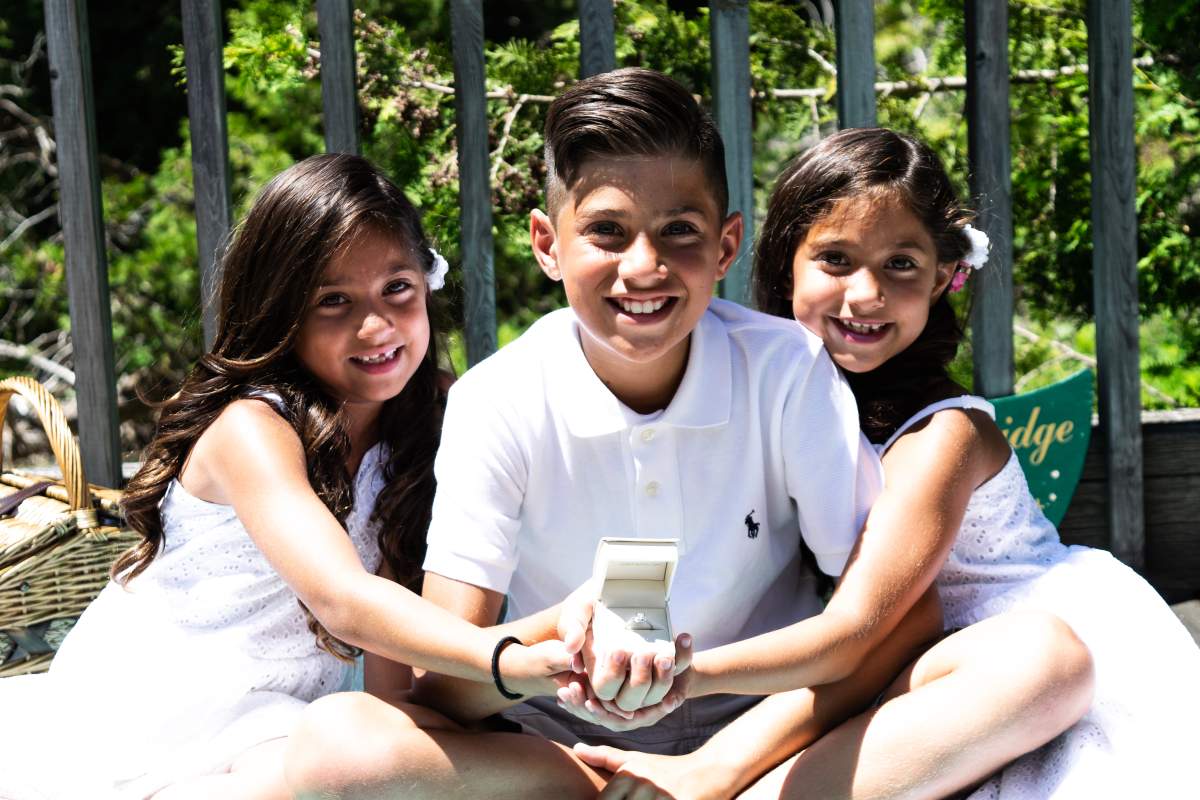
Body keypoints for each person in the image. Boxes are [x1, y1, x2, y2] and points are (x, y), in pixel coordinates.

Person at [285, 70, 1092, 800]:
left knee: (1043, 661)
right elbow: (446, 679)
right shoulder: (498, 398)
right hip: (555, 763)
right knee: (338, 746)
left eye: (678, 231)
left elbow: (891, 625)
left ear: (726, 246)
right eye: (606, 232)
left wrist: (719, 764)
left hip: (766, 743)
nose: (645, 267)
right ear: (546, 244)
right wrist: (565, 634)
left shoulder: (787, 369)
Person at [0, 154, 584, 800]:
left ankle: (608, 775)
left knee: (376, 759)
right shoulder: (252, 427)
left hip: (273, 736)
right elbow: (345, 600)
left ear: (426, 286)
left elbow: (394, 680)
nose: (376, 325)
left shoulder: (429, 418)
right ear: (284, 312)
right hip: (138, 724)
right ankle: (607, 778)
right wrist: (508, 659)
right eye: (334, 301)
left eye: (398, 289)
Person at [735, 126, 1200, 797]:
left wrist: (698, 699)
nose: (866, 295)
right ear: (786, 266)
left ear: (941, 279)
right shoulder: (779, 401)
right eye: (836, 259)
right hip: (906, 659)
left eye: (900, 265)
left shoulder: (942, 433)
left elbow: (864, 626)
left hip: (1010, 647)